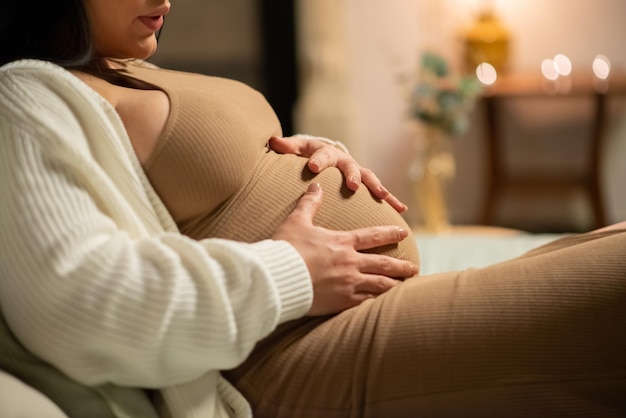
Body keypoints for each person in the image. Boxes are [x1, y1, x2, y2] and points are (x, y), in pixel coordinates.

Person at [0, 0, 624, 417]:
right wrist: (290, 270)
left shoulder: (120, 69)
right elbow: (77, 303)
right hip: (291, 363)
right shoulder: (19, 95)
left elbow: (173, 198)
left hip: (345, 323)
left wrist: (317, 158)